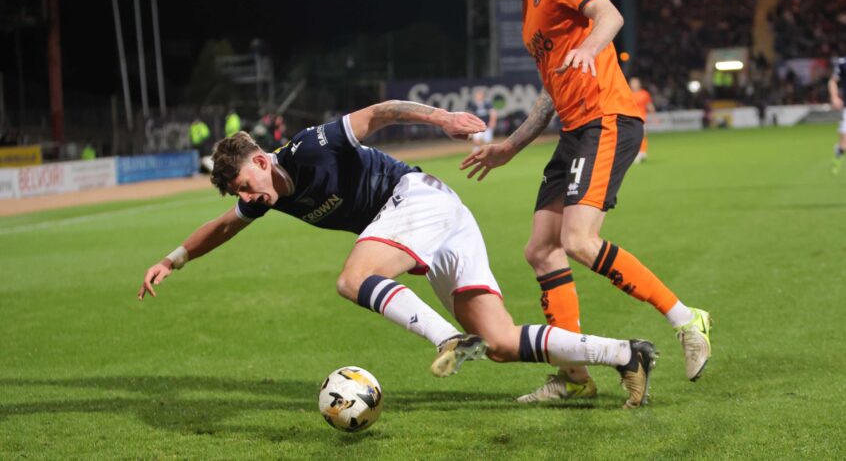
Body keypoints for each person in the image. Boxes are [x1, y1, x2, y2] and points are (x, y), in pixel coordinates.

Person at [138, 100, 658, 409]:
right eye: (237, 193)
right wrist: (173, 259)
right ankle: (624, 353)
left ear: (258, 159)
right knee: (500, 343)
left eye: (243, 185)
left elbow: (382, 113)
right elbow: (223, 228)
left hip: (417, 199)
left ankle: (448, 338)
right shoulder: (267, 195)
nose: (244, 198)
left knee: (353, 278)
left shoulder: (310, 147)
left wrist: (443, 120)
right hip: (436, 221)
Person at [464, 0, 711, 403]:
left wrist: (591, 47)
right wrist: (510, 147)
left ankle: (688, 320)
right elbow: (550, 95)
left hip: (606, 118)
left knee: (578, 240)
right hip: (574, 131)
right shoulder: (529, 12)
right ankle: (573, 377)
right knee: (540, 250)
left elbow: (610, 16)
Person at [629, 77, 656, 164]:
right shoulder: (628, 93)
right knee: (633, 137)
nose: (634, 84)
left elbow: (649, 105)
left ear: (639, 84)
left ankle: (641, 153)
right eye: (633, 83)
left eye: (635, 82)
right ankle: (638, 153)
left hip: (641, 119)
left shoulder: (644, 93)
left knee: (642, 136)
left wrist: (654, 116)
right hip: (630, 118)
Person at [829, 56, 846, 175]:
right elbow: (833, 81)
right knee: (843, 142)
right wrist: (834, 97)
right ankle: (838, 154)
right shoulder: (842, 63)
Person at [467, 88, 498, 153]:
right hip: (477, 126)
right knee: (476, 141)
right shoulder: (472, 104)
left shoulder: (487, 104)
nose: (478, 97)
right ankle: (476, 154)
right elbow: (470, 115)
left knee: (487, 142)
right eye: (477, 95)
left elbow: (493, 113)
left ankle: (487, 154)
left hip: (487, 126)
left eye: (480, 95)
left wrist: (493, 122)